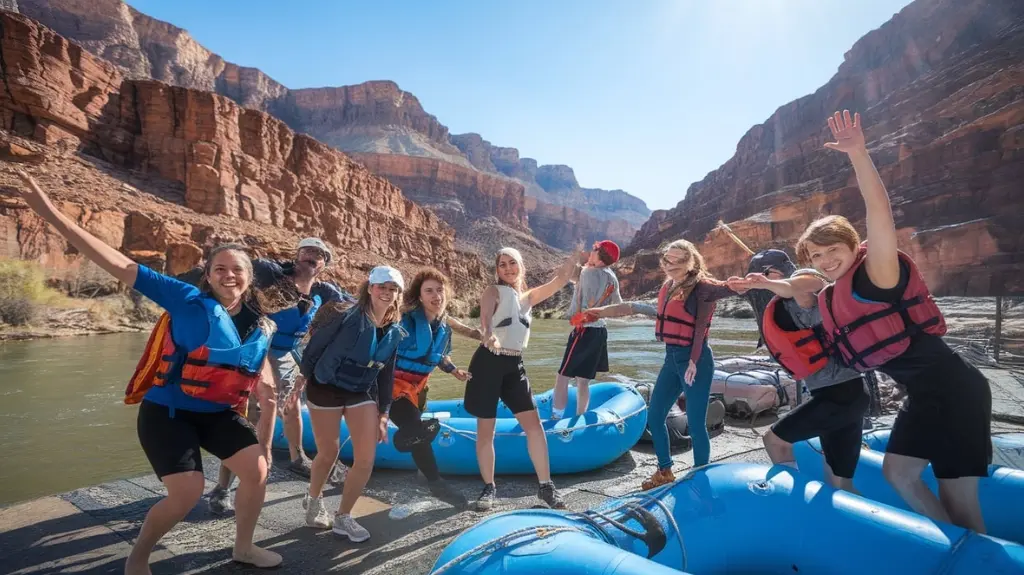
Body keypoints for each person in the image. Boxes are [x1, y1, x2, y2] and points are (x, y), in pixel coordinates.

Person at [9, 169, 282, 572]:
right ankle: (138, 557)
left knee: (257, 470)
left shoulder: (262, 322)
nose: (228, 275)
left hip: (218, 414)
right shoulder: (185, 299)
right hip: (168, 413)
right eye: (219, 268)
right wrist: (49, 212)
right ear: (207, 275)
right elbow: (118, 264)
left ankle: (243, 548)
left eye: (236, 269)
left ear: (249, 276)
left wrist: (268, 436)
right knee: (187, 491)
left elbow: (262, 381)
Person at [799, 110, 991, 532]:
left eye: (833, 249)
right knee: (897, 474)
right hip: (923, 398)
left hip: (957, 393)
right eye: (816, 255)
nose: (826, 260)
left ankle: (973, 555)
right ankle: (954, 553)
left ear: (853, 247)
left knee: (962, 504)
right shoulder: (833, 291)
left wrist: (858, 154)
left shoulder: (878, 273)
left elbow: (878, 209)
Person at [178, 239, 356, 513]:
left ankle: (298, 458)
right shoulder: (273, 275)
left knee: (294, 406)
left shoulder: (322, 291)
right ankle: (223, 486)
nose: (312, 256)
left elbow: (354, 306)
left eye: (319, 255)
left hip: (285, 354)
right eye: (307, 251)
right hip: (256, 350)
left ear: (323, 265)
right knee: (246, 415)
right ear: (297, 257)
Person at [586, 239, 741, 490]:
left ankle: (700, 477)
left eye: (679, 260)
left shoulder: (702, 287)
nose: (672, 265)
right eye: (668, 259)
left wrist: (747, 283)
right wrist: (600, 312)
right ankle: (665, 470)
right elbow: (633, 307)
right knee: (655, 416)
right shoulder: (668, 287)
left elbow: (728, 288)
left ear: (691, 261)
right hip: (672, 359)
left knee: (697, 422)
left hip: (695, 362)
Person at [731, 269, 869, 492]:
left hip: (838, 396)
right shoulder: (806, 309)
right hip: (852, 393)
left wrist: (764, 283)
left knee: (774, 440)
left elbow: (800, 285)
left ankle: (795, 499)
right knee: (839, 480)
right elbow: (792, 288)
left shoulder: (814, 304)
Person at [294, 266, 405, 542]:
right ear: (370, 288)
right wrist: (299, 383)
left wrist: (384, 412)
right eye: (382, 287)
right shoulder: (344, 315)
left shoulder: (394, 331)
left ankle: (343, 516)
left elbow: (386, 375)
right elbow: (314, 348)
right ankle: (314, 498)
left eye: (393, 289)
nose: (387, 293)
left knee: (366, 458)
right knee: (328, 452)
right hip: (325, 388)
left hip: (359, 391)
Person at [466, 247, 580, 510]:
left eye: (512, 263)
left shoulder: (527, 298)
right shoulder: (492, 291)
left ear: (521, 266)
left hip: (514, 365)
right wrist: (488, 333)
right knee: (486, 431)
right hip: (487, 363)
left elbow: (560, 281)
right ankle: (488, 487)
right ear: (497, 270)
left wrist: (574, 257)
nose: (507, 268)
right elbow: (485, 319)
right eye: (502, 264)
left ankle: (545, 486)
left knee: (534, 426)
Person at [552, 240, 623, 419]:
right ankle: (580, 417)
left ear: (600, 258)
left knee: (563, 376)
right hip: (599, 332)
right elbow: (618, 306)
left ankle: (555, 418)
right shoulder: (612, 276)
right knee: (583, 381)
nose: (590, 252)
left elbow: (569, 275)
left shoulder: (588, 273)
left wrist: (576, 257)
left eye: (594, 250)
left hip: (584, 331)